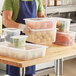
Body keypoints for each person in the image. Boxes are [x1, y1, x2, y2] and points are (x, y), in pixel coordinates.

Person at [2, 0, 45, 76]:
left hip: (31, 44)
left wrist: (47, 23)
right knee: (15, 72)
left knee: (29, 72)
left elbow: (41, 16)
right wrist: (21, 27)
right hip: (15, 43)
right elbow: (6, 20)